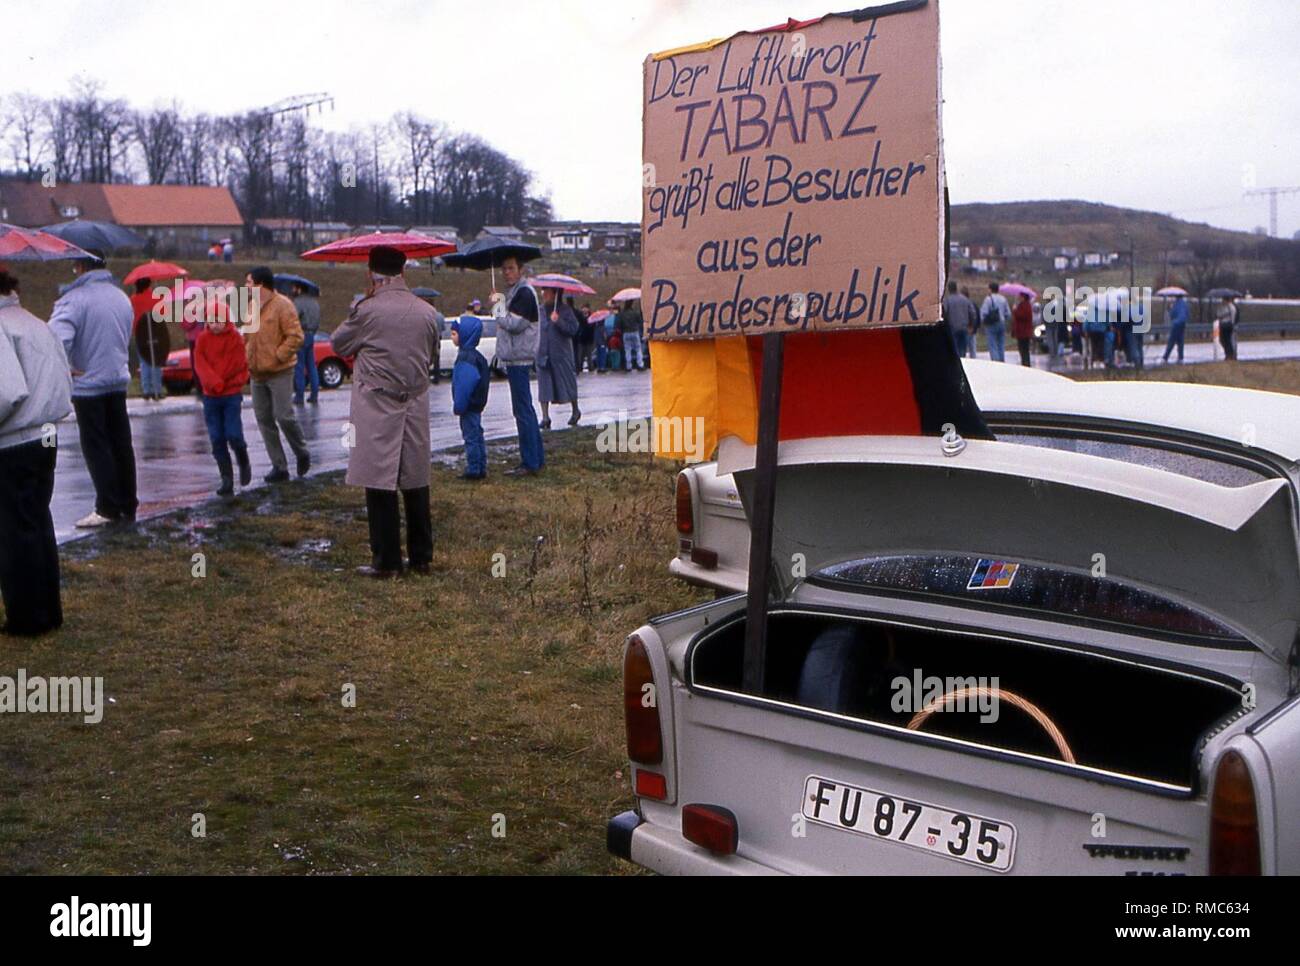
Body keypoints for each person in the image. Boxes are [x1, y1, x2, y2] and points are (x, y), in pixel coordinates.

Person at [331, 246, 439, 578]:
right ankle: (421, 557)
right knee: (415, 480)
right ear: (403, 271)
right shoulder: (426, 312)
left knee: (379, 481)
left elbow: (339, 344)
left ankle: (387, 561)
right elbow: (432, 356)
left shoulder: (367, 311)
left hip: (377, 404)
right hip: (415, 404)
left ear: (372, 272)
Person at [0, 270, 72, 636]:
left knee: (14, 532)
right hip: (46, 435)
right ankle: (48, 610)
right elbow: (64, 380)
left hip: (13, 441)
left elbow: (6, 393)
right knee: (39, 524)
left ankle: (26, 617)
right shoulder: (36, 323)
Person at [48, 250, 138, 528]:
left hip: (88, 385)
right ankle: (127, 502)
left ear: (82, 265)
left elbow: (55, 341)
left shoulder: (73, 301)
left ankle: (107, 506)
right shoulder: (121, 297)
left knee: (96, 445)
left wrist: (65, 368)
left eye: (75, 266)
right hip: (116, 381)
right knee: (122, 444)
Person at [245, 266, 310, 483]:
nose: (246, 287)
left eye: (248, 283)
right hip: (257, 373)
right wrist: (247, 358)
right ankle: (279, 466)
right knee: (264, 419)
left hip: (279, 371)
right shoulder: (251, 306)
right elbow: (249, 336)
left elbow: (295, 337)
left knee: (284, 416)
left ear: (260, 285)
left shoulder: (283, 305)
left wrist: (278, 356)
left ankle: (301, 452)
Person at [492, 255, 544, 476]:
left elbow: (514, 324)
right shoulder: (517, 292)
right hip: (516, 358)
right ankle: (535, 458)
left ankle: (530, 462)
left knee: (522, 411)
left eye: (511, 268)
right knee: (526, 410)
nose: (506, 273)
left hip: (519, 359)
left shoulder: (523, 293)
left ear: (520, 269)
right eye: (504, 269)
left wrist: (497, 307)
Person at [193, 301, 251, 496]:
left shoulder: (235, 338)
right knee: (217, 438)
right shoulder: (202, 339)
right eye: (211, 320)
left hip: (231, 394)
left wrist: (222, 382)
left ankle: (243, 459)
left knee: (233, 434)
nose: (215, 324)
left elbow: (238, 364)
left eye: (219, 320)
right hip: (211, 395)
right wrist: (213, 382)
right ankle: (226, 478)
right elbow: (200, 364)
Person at [536, 284, 581, 429]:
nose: (543, 294)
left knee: (568, 383)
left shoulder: (565, 311)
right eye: (543, 291)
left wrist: (559, 321)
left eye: (547, 291)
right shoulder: (539, 311)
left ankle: (575, 410)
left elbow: (573, 329)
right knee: (544, 386)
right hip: (543, 354)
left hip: (561, 355)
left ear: (555, 294)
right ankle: (545, 417)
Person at [451, 315, 490, 480]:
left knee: (471, 437)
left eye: (454, 334)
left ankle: (474, 469)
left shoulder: (466, 358)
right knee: (476, 433)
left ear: (465, 334)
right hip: (476, 404)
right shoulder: (475, 356)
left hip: (468, 405)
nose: (451, 337)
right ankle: (480, 465)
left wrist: (459, 405)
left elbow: (464, 385)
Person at [131, 277, 169, 401]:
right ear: (149, 284)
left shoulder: (133, 299)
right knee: (155, 361)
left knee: (144, 362)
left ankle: (146, 390)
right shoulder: (156, 297)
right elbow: (163, 314)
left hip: (140, 334)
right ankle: (157, 389)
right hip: (155, 333)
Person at [292, 282, 321, 405]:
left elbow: (293, 318)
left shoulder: (297, 302)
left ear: (299, 289)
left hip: (301, 334)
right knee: (311, 366)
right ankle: (314, 394)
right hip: (311, 335)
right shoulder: (315, 303)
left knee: (299, 366)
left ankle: (299, 396)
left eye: (294, 287)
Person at [941, 281, 977, 357]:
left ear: (949, 289)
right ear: (956, 288)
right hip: (964, 328)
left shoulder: (947, 301)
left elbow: (944, 314)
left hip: (953, 328)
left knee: (954, 349)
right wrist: (971, 325)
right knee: (963, 349)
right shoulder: (965, 299)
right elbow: (972, 313)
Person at [979, 283, 1010, 362]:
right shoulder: (1003, 299)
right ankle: (1001, 359)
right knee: (1001, 343)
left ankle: (995, 361)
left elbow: (983, 312)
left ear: (990, 289)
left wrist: (983, 321)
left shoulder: (988, 299)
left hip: (991, 324)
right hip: (1002, 323)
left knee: (992, 344)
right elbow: (1008, 313)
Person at [1163, 293, 1189, 363]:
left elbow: (1172, 315)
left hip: (1176, 324)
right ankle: (1180, 357)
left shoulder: (1175, 304)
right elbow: (1187, 314)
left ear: (1176, 297)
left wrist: (1169, 309)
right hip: (1183, 323)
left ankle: (1165, 357)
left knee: (1172, 340)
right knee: (1180, 341)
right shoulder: (1185, 304)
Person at [620, 299, 645, 370]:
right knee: (638, 349)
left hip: (626, 332)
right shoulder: (635, 313)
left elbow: (619, 324)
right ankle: (640, 364)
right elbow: (640, 321)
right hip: (634, 331)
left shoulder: (622, 313)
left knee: (627, 349)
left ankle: (628, 366)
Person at [1012, 292, 1034, 367]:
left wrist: (1015, 310)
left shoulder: (1025, 305)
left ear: (1023, 297)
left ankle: (1026, 364)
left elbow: (1022, 316)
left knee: (1024, 350)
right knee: (1023, 350)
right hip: (1023, 332)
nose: (1019, 297)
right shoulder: (1024, 305)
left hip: (1023, 332)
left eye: (1020, 296)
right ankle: (1025, 363)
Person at [960, 286, 980, 358]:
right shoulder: (973, 303)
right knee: (972, 349)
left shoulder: (963, 304)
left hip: (965, 328)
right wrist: (975, 327)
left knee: (963, 348)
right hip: (972, 329)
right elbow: (977, 316)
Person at [1217, 295, 1238, 360]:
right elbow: (1218, 314)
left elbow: (1233, 316)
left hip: (1228, 325)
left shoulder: (1231, 307)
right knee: (1222, 340)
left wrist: (1232, 324)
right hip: (1222, 324)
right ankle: (1227, 353)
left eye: (1224, 299)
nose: (1222, 301)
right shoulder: (1221, 307)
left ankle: (1230, 355)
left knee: (1228, 340)